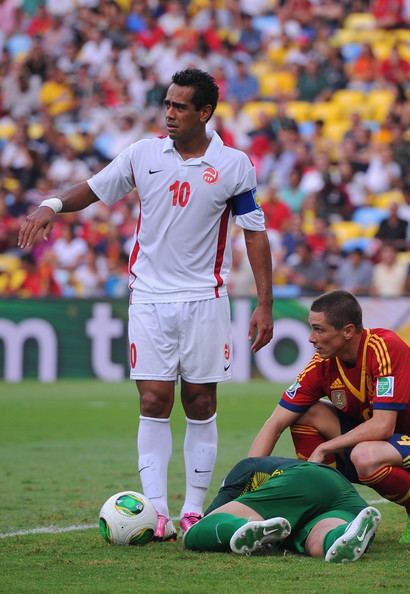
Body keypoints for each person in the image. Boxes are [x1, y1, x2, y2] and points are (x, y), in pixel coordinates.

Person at [18, 69, 273, 542]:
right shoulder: (143, 154)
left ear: (204, 112)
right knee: (154, 399)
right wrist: (51, 205)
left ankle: (193, 509)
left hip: (206, 298)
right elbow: (94, 188)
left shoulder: (234, 164)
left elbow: (254, 233)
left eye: (179, 106)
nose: (169, 113)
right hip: (150, 299)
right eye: (167, 104)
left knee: (200, 402)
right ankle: (156, 512)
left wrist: (264, 303)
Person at [249, 290, 410, 544]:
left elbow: (383, 425)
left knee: (364, 456)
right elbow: (276, 422)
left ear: (348, 331)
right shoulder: (323, 364)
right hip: (373, 444)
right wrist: (247, 487)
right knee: (305, 414)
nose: (311, 338)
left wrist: (325, 448)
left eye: (319, 330)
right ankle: (327, 515)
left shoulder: (386, 348)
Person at [184, 456, 381, 562]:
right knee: (319, 544)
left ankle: (241, 526)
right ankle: (345, 532)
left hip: (303, 480)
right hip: (348, 498)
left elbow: (211, 517)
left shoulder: (245, 469)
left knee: (195, 533)